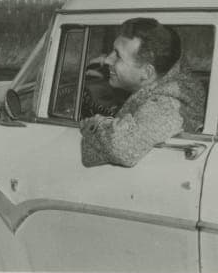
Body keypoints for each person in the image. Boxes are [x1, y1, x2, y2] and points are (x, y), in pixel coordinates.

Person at [79, 18, 206, 168]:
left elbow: (122, 148)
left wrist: (95, 125)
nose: (107, 60)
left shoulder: (166, 105)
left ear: (147, 72)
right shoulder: (171, 84)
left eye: (118, 56)